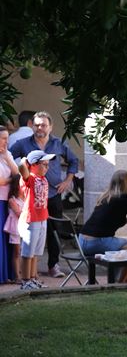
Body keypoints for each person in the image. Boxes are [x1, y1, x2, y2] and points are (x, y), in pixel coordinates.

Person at [10, 111, 79, 279]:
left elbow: (74, 161)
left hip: (54, 193)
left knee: (53, 230)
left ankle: (53, 265)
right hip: (30, 199)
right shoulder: (23, 143)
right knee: (32, 235)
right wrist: (19, 180)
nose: (40, 128)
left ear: (50, 127)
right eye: (37, 125)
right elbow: (10, 159)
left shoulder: (58, 143)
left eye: (43, 125)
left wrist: (67, 180)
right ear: (32, 126)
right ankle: (28, 274)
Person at [79, 170, 127, 283]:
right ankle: (122, 281)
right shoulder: (125, 198)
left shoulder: (106, 197)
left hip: (82, 242)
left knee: (122, 249)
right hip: (97, 242)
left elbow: (108, 218)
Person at [17, 150, 55, 290]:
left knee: (36, 252)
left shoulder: (43, 178)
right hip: (30, 219)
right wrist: (26, 160)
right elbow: (21, 167)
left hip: (42, 218)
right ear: (33, 165)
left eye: (47, 164)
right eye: (44, 164)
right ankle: (25, 281)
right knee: (27, 252)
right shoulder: (29, 178)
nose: (47, 167)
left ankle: (33, 278)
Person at [0, 126, 18, 283]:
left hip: (8, 201)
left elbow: (17, 175)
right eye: (4, 138)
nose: (6, 141)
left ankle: (8, 274)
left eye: (7, 138)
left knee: (8, 238)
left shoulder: (8, 154)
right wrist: (11, 180)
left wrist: (6, 157)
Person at [5, 176, 23, 283]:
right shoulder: (12, 199)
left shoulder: (26, 198)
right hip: (16, 228)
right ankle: (17, 276)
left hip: (26, 228)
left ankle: (25, 273)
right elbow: (19, 213)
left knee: (25, 252)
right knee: (17, 252)